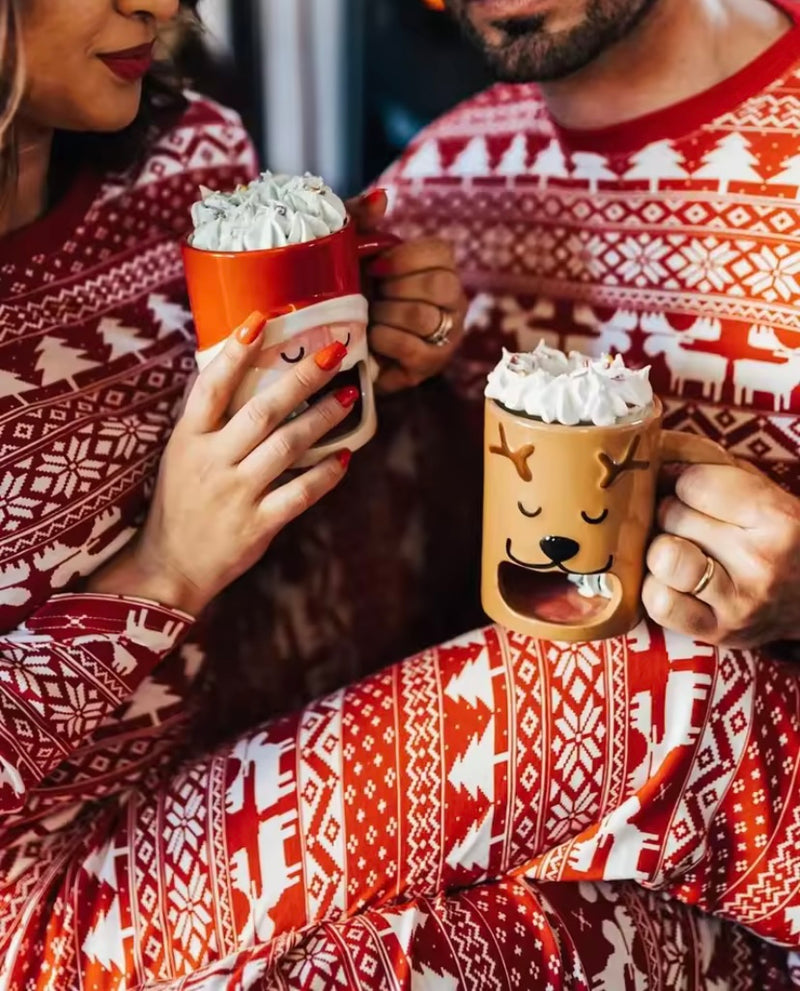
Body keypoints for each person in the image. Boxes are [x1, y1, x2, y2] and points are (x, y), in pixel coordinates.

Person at [0, 3, 798, 991]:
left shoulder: (189, 161)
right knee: (656, 693)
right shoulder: (448, 180)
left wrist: (379, 358)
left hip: (237, 772)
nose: (161, 3)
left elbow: (363, 519)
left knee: (595, 937)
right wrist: (162, 566)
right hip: (45, 902)